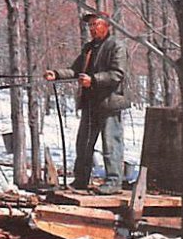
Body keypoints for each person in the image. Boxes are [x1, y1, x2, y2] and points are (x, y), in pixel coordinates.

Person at [44, 12, 130, 194]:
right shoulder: (89, 48)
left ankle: (114, 182)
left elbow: (117, 74)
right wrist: (56, 74)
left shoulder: (116, 46)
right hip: (90, 104)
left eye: (95, 24)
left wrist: (94, 80)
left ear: (106, 25)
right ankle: (81, 180)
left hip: (109, 103)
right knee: (83, 144)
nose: (91, 28)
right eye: (90, 25)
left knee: (111, 144)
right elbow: (75, 70)